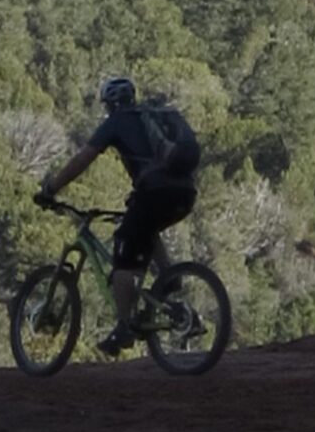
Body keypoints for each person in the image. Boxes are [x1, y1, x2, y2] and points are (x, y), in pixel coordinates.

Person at [37, 75, 201, 353]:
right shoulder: (153, 116)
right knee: (145, 228)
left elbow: (82, 159)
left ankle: (123, 328)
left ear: (110, 104)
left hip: (154, 193)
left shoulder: (116, 122)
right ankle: (169, 278)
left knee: (123, 261)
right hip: (185, 193)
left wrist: (51, 188)